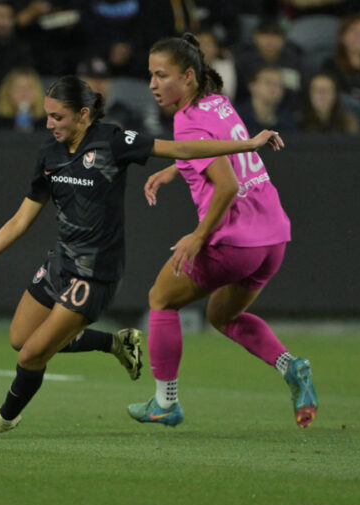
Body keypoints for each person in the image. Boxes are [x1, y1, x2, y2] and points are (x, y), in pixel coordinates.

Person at [0, 74, 284, 435]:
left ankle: (5, 418)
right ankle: (115, 342)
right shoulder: (49, 154)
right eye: (48, 116)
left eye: (58, 117)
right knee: (20, 340)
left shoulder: (113, 141)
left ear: (84, 114)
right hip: (61, 262)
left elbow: (180, 149)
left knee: (31, 355)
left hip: (95, 272)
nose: (49, 124)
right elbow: (19, 221)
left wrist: (244, 146)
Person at [127, 34, 317, 430]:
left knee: (161, 299)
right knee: (223, 314)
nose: (153, 84)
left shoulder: (186, 121)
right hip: (273, 238)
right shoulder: (218, 102)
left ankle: (165, 402)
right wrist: (173, 169)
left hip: (235, 241)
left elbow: (227, 185)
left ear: (189, 75)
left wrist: (199, 236)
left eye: (162, 75)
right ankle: (291, 366)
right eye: (151, 75)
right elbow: (220, 152)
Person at [236, 66, 298, 133]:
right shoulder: (235, 117)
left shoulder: (289, 121)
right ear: (252, 86)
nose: (274, 88)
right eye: (268, 82)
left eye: (279, 84)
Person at [0, 67, 46, 131]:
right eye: (18, 87)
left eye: (29, 87)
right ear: (8, 92)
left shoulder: (48, 125)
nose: (24, 91)